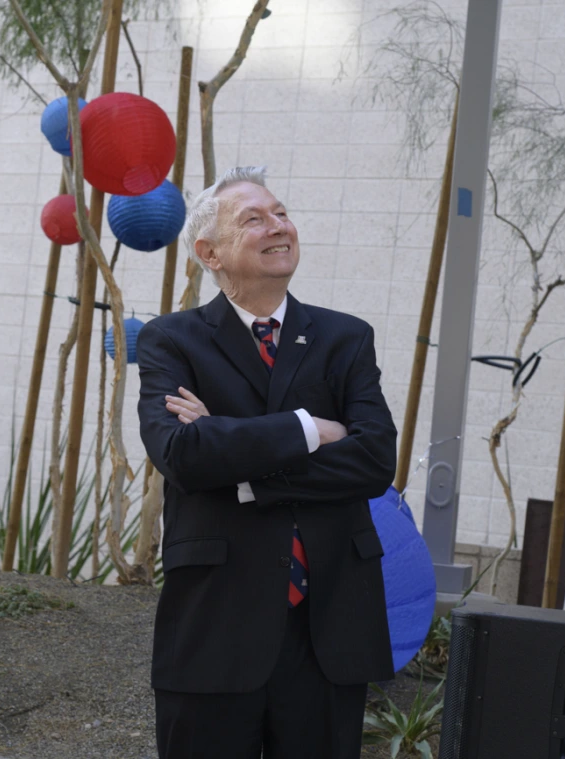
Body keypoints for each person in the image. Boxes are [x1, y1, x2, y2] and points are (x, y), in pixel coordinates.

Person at [136, 166, 398, 758]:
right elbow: (181, 454)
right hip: (215, 624)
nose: (277, 226)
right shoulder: (172, 341)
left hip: (328, 626)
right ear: (211, 253)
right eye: (254, 219)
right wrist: (309, 428)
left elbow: (376, 460)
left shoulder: (345, 338)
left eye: (280, 213)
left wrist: (247, 470)